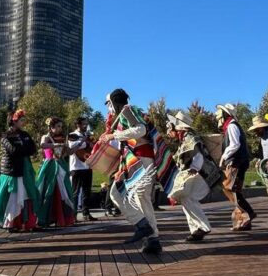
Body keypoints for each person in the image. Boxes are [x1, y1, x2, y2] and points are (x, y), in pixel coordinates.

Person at [102, 89, 165, 254]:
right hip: (138, 161)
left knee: (119, 194)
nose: (108, 108)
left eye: (108, 104)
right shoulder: (129, 112)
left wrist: (114, 136)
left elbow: (140, 130)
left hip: (141, 161)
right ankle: (152, 238)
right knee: (140, 199)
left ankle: (143, 227)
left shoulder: (127, 110)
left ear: (114, 102)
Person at [166, 111, 214, 241]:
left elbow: (198, 155)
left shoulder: (190, 138)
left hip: (202, 173)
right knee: (187, 199)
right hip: (199, 173)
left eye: (171, 128)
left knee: (189, 198)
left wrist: (194, 168)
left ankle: (202, 228)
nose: (169, 132)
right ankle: (196, 230)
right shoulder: (186, 138)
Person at [0, 110, 40, 231]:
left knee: (27, 194)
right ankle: (10, 223)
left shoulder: (25, 134)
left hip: (25, 169)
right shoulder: (6, 135)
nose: (24, 122)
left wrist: (22, 149)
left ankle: (27, 222)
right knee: (13, 197)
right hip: (11, 171)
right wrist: (24, 149)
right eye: (21, 120)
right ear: (14, 121)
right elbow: (13, 150)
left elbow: (33, 149)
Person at [216, 103, 256, 231]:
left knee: (230, 188)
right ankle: (244, 220)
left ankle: (248, 213)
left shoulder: (232, 126)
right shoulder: (231, 126)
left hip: (235, 162)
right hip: (237, 161)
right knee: (233, 189)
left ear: (224, 114)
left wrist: (223, 157)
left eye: (219, 113)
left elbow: (234, 144)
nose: (216, 115)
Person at [36, 117, 77, 228]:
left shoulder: (63, 138)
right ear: (51, 127)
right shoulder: (46, 137)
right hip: (50, 166)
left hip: (61, 165)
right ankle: (46, 218)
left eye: (61, 126)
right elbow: (42, 145)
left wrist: (79, 143)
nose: (60, 129)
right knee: (48, 190)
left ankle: (63, 217)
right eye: (58, 126)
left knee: (64, 190)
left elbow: (69, 152)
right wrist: (56, 145)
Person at [69, 117, 96, 222]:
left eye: (86, 124)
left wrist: (93, 144)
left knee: (86, 191)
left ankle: (86, 213)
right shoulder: (72, 135)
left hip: (87, 166)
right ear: (78, 125)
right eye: (83, 124)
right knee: (75, 192)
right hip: (76, 167)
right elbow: (72, 147)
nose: (85, 126)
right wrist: (85, 143)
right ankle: (73, 215)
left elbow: (92, 146)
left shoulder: (87, 136)